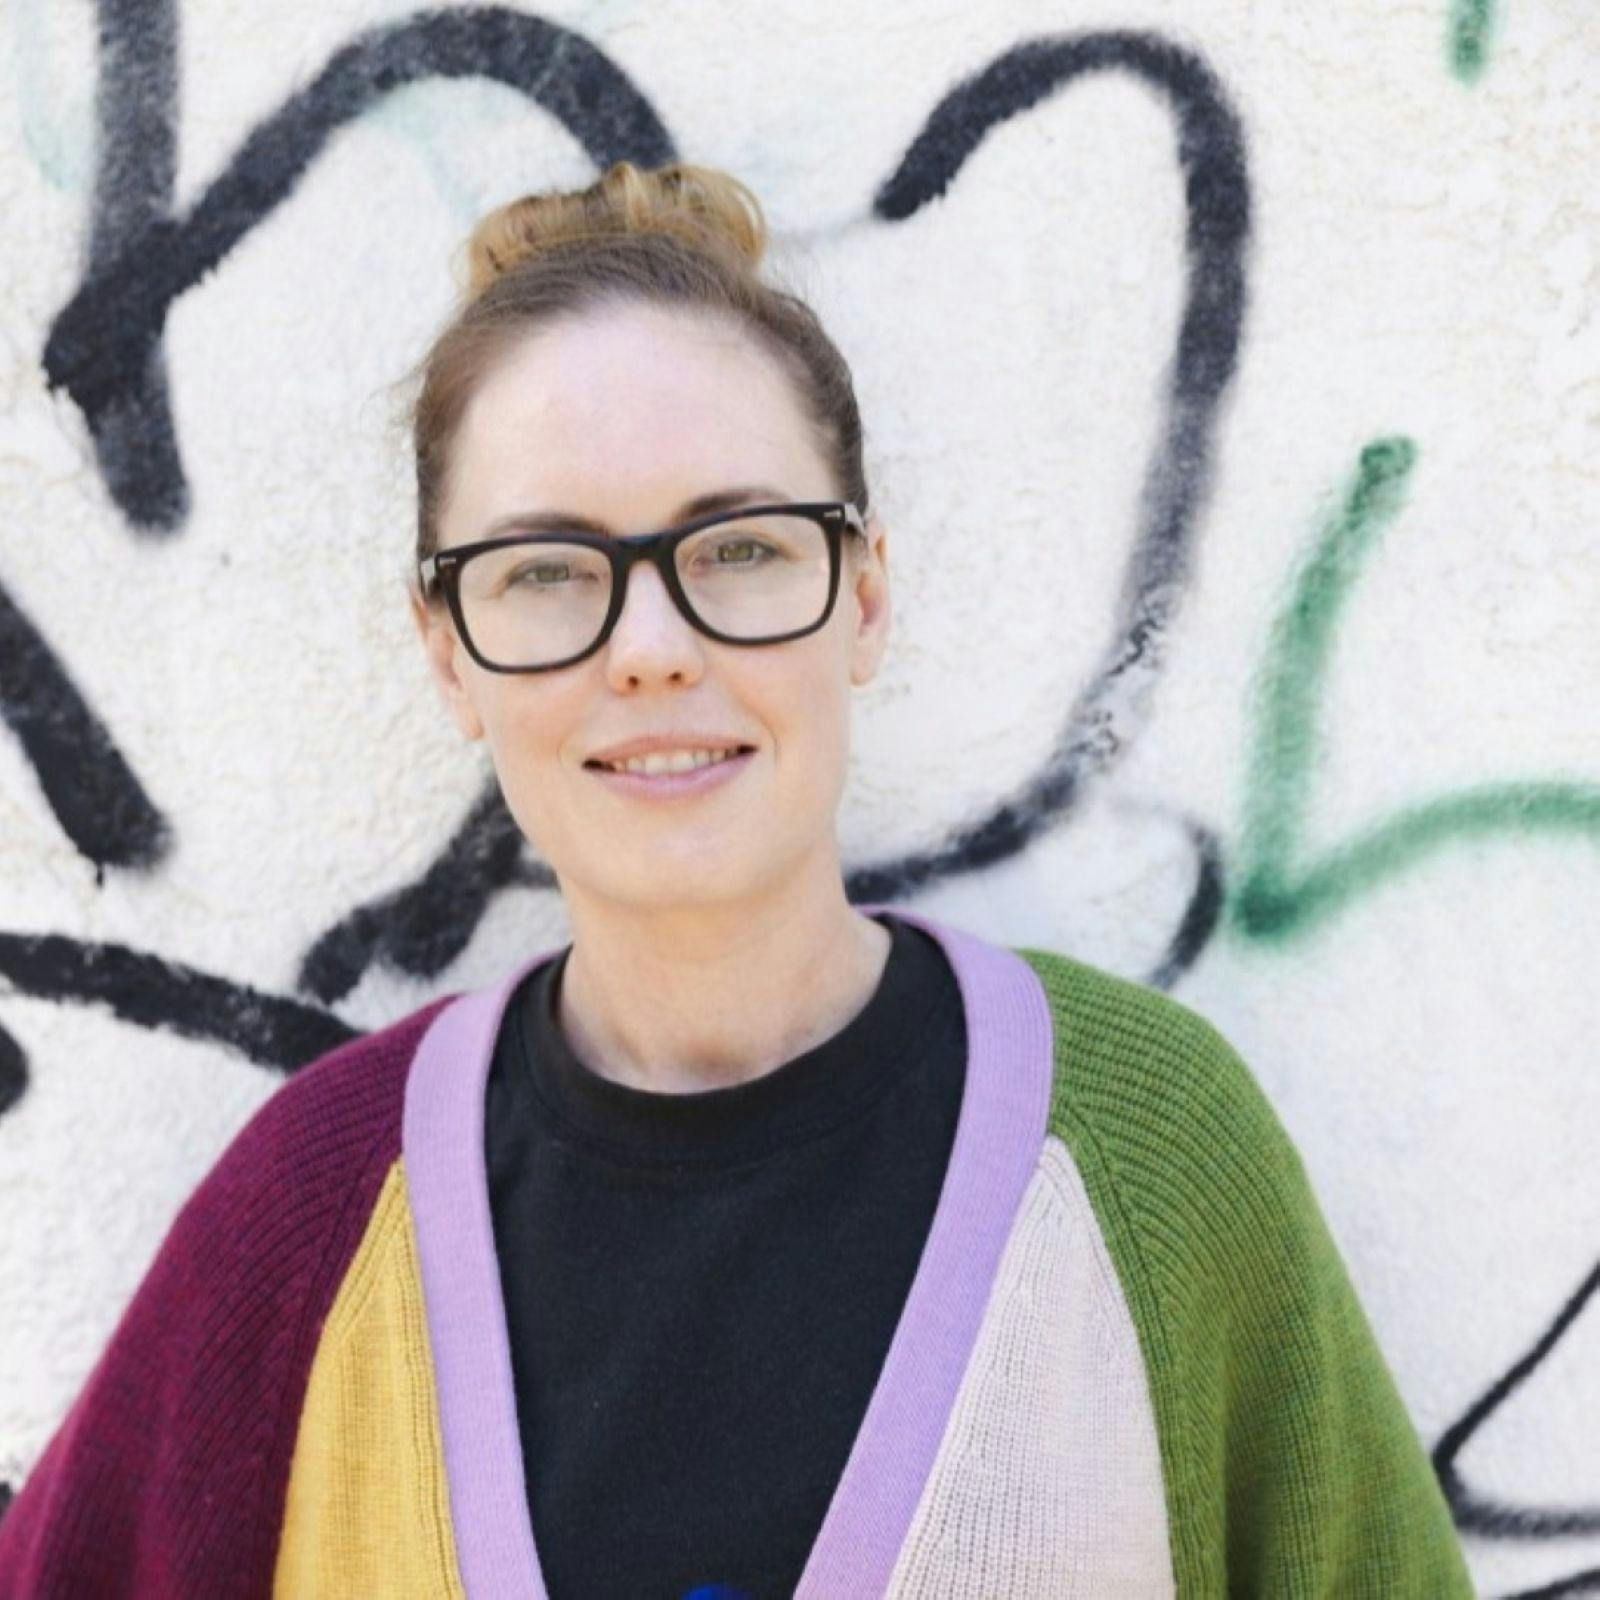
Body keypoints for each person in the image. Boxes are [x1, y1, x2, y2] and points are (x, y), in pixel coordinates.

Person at [0, 160, 1473, 1600]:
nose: (651, 644)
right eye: (545, 570)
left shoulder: (1151, 1150)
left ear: (866, 600)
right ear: (448, 650)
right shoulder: (313, 1209)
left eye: (743, 547)